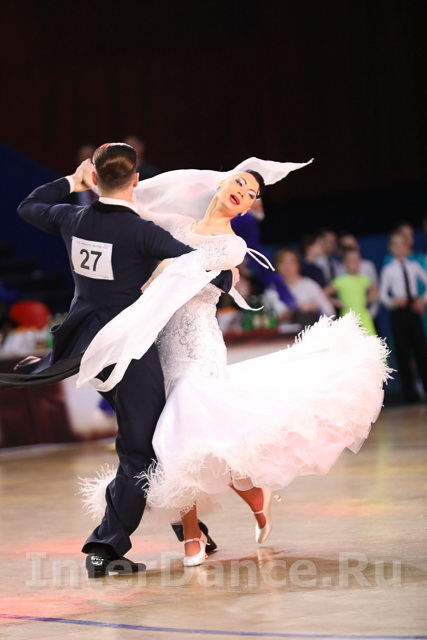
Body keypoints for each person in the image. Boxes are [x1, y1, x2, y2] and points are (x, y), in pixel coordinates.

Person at [78, 157, 389, 568]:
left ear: (246, 208)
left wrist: (171, 271)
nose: (244, 193)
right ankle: (253, 496)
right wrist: (93, 183)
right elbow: (132, 209)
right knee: (186, 442)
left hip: (200, 345)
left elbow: (190, 275)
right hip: (164, 343)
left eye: (252, 194)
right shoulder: (175, 225)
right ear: (222, 184)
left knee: (181, 433)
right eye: (240, 184)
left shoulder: (233, 245)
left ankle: (193, 535)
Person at [0, 143, 233, 577]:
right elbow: (197, 263)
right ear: (136, 181)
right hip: (127, 353)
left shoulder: (72, 218)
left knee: (156, 437)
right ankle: (104, 548)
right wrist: (228, 276)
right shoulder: (140, 231)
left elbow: (28, 206)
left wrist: (70, 182)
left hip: (88, 347)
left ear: (94, 177)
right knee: (141, 449)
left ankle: (189, 529)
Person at [379, 231, 427, 403]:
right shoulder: (388, 269)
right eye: (396, 245)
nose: (400, 248)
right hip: (399, 312)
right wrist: (393, 302)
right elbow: (383, 295)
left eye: (402, 245)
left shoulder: (414, 266)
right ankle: (410, 394)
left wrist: (422, 300)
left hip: (413, 308)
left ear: (407, 247)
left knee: (421, 349)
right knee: (402, 352)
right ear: (391, 248)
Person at [267, 248, 334, 326]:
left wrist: (315, 309)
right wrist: (282, 317)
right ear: (276, 266)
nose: (287, 267)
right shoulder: (272, 290)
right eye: (283, 263)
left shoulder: (309, 285)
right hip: (282, 331)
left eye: (291, 262)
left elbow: (330, 313)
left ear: (298, 265)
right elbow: (266, 319)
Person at [327, 248, 377, 335]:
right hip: (348, 315)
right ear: (345, 263)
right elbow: (324, 293)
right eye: (352, 260)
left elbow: (375, 290)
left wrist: (368, 299)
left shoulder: (364, 279)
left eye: (357, 260)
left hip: (363, 314)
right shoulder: (341, 281)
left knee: (369, 338)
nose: (355, 263)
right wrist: (337, 302)